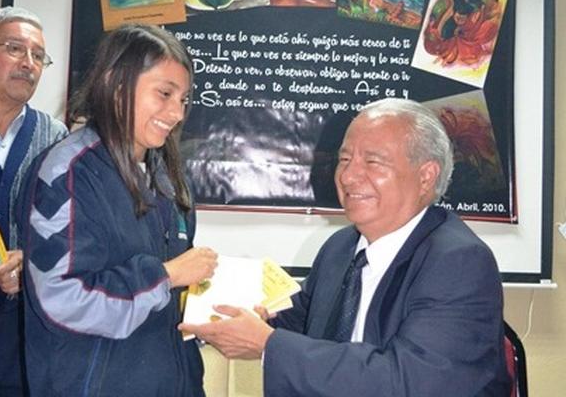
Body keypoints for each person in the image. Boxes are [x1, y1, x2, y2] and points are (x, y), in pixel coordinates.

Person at [180, 98, 512, 396]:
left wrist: (268, 344)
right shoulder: (341, 247)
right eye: (345, 159)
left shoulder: (458, 262)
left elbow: (412, 382)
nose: (348, 176)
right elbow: (302, 320)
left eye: (373, 162)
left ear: (426, 176)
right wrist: (228, 309)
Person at [16, 24, 218, 397]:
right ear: (116, 84)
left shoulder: (168, 176)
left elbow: (166, 298)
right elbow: (61, 299)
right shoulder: (69, 171)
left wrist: (211, 308)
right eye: (164, 94)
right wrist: (166, 276)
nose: (177, 112)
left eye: (184, 99)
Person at [0, 6, 68, 396]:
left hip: (24, 334)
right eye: (14, 49)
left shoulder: (55, 137)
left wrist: (32, 260)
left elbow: (70, 229)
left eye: (38, 56)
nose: (29, 63)